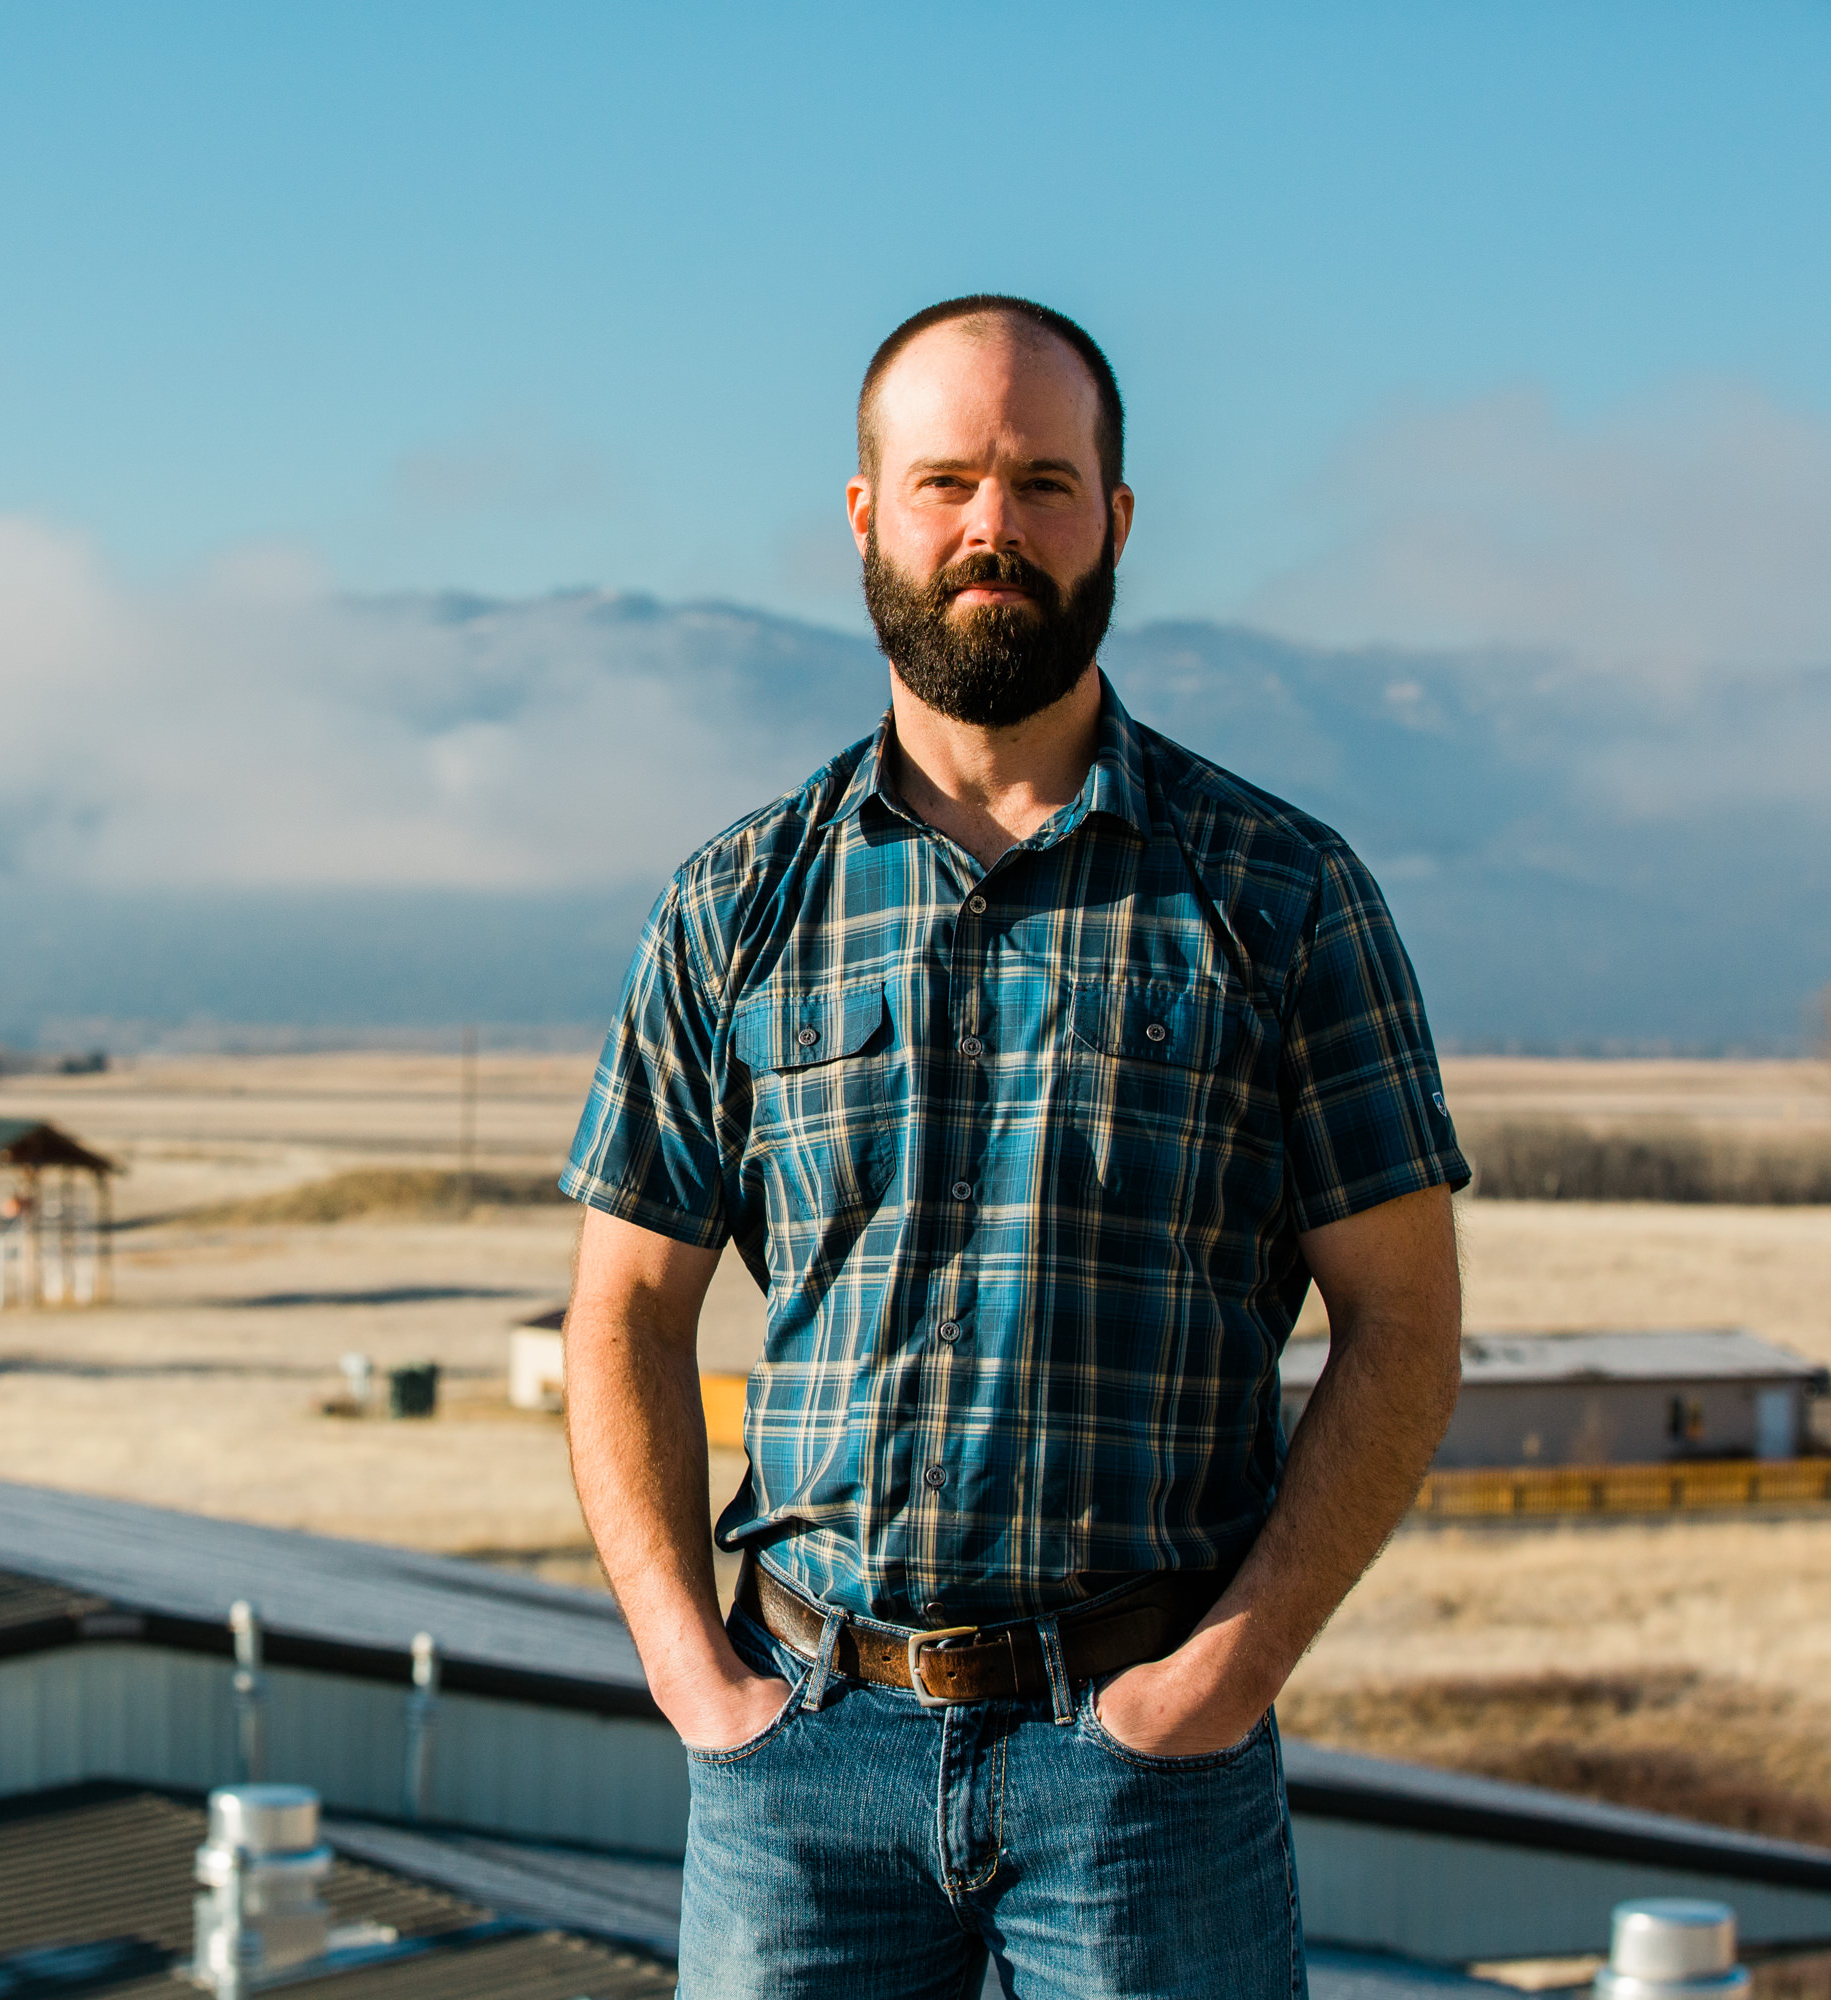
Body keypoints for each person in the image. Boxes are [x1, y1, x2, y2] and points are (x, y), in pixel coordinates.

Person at [559, 296, 1468, 1998]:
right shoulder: (736, 904)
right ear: (866, 514)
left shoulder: (1283, 898)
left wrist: (1215, 1684)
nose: (996, 528)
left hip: (1141, 1779)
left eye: (1047, 483)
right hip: (801, 1760)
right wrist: (698, 1683)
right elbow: (622, 1312)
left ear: (1117, 520)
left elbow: (1407, 1325)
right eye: (949, 480)